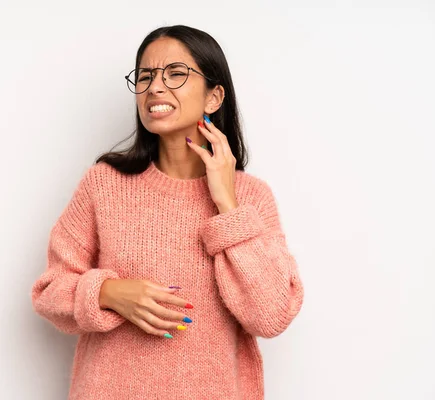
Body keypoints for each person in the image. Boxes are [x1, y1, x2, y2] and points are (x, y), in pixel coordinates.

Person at [31, 24, 304, 400]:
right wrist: (109, 293)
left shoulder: (251, 198)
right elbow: (49, 292)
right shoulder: (103, 184)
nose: (155, 87)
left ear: (214, 96)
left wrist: (226, 202)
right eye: (146, 76)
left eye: (176, 74)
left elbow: (271, 314)